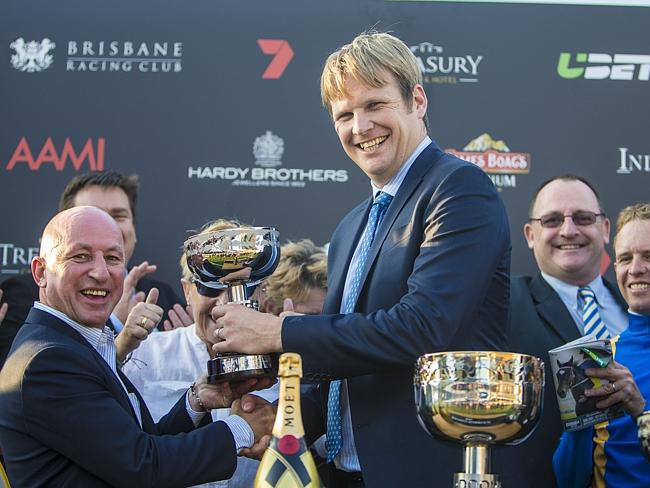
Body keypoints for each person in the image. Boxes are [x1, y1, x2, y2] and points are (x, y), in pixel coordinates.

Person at [210, 31, 511, 487]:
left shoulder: (458, 188)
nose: (361, 127)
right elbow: (343, 367)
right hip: (343, 474)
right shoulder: (352, 224)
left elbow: (422, 329)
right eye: (344, 115)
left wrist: (279, 332)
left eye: (375, 105)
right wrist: (285, 416)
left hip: (428, 472)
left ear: (418, 100)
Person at [0, 207, 275, 487]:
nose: (100, 272)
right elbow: (143, 468)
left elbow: (136, 445)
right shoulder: (48, 360)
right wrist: (242, 429)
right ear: (40, 272)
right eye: (80, 256)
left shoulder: (72, 344)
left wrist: (197, 399)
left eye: (112, 258)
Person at [123, 226, 328, 488]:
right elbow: (128, 454)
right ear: (187, 291)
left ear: (260, 292)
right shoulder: (144, 354)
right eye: (210, 287)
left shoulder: (284, 364)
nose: (225, 303)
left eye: (243, 287)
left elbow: (324, 451)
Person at [499, 174, 628, 487]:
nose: (569, 230)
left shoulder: (638, 308)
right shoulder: (501, 305)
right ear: (530, 234)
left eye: (583, 218)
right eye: (552, 220)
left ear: (605, 229)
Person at [0, 171, 191, 368]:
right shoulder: (25, 295)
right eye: (91, 213)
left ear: (133, 230)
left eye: (118, 216)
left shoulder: (163, 296)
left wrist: (187, 345)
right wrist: (116, 327)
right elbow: (17, 374)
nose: (105, 224)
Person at [553, 202, 650, 487]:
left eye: (648, 255)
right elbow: (568, 479)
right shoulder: (601, 359)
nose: (636, 269)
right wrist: (579, 418)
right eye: (625, 258)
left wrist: (641, 412)